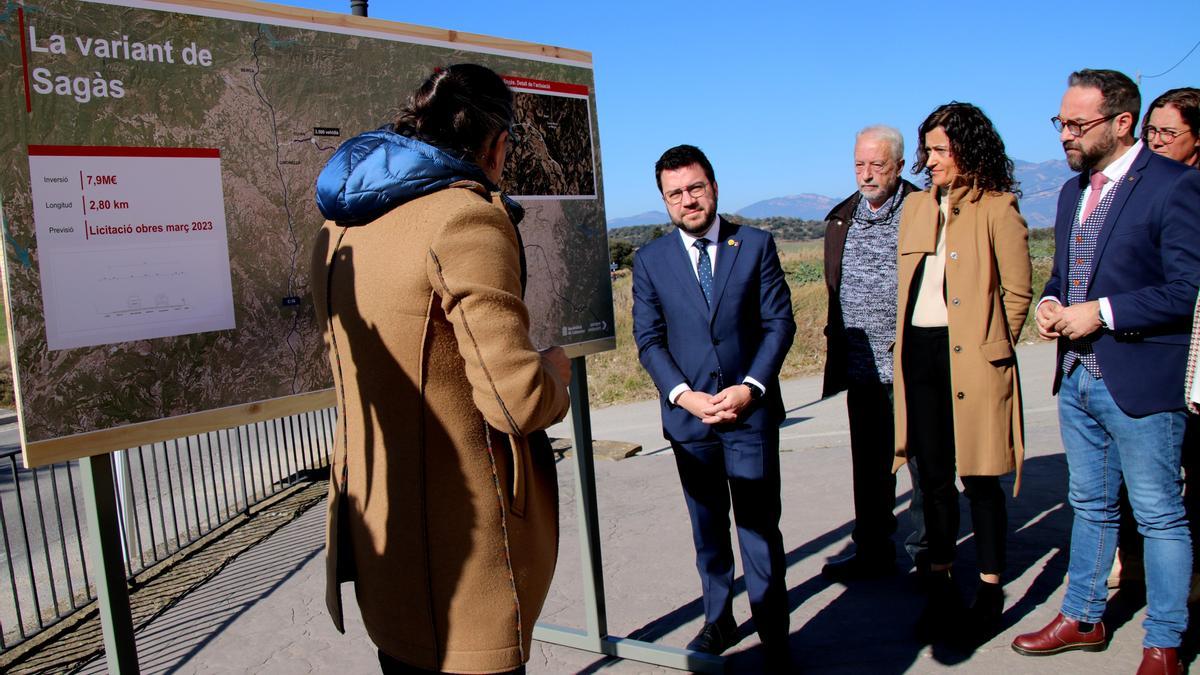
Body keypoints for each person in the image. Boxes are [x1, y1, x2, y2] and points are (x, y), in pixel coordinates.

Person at [311, 64, 571, 675]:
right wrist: (556, 371)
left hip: (382, 534)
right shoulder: (466, 217)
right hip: (463, 552)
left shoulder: (338, 226)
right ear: (496, 142)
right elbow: (517, 402)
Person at [1011, 69, 1200, 675]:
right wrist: (1050, 302)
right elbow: (1066, 276)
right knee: (1090, 504)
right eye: (1059, 122)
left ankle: (1164, 643)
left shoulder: (1173, 186)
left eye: (1076, 124)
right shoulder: (1072, 193)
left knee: (1158, 512)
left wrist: (1102, 312)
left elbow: (1185, 289)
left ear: (1122, 123)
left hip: (1141, 380)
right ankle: (1084, 616)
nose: (1065, 134)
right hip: (1078, 379)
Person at [632, 144, 795, 666]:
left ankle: (773, 633)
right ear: (664, 200)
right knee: (708, 531)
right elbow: (649, 339)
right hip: (691, 421)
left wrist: (751, 387)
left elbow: (779, 324)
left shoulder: (755, 244)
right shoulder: (651, 260)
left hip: (748, 415)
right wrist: (683, 395)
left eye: (695, 188)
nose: (687, 200)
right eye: (675, 193)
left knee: (759, 529)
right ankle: (719, 620)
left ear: (714, 187)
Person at [892, 102, 1032, 640]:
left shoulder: (999, 206)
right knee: (932, 479)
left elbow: (1018, 292)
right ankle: (941, 583)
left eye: (939, 150)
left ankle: (991, 588)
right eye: (927, 149)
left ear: (968, 150)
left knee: (980, 478)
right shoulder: (916, 207)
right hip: (920, 355)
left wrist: (994, 347)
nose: (929, 160)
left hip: (974, 357)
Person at [821, 125, 928, 581]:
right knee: (869, 471)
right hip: (862, 371)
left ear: (900, 166)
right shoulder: (842, 216)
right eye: (859, 164)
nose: (866, 174)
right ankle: (873, 551)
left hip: (914, 369)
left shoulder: (923, 211)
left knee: (926, 472)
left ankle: (929, 559)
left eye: (877, 165)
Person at [1109, 87, 1200, 594]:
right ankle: (1132, 556)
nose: (1158, 141)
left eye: (1170, 132)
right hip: (1144, 354)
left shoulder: (1186, 191)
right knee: (1136, 468)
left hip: (1190, 350)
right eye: (1152, 131)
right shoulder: (1136, 189)